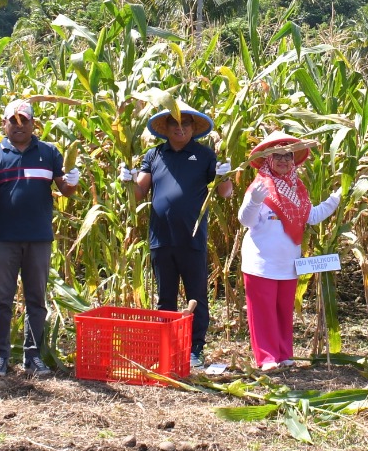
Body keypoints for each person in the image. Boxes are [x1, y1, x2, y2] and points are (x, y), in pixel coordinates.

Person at [122, 103, 232, 367]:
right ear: (166, 128)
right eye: (174, 124)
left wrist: (224, 176)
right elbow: (138, 194)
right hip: (161, 237)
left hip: (192, 237)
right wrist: (127, 180)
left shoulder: (205, 156)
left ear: (193, 128)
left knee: (197, 294)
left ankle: (195, 348)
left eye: (186, 124)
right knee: (166, 297)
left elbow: (225, 193)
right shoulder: (155, 155)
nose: (180, 128)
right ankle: (166, 347)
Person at [0, 99, 78, 376]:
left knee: (36, 300)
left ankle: (32, 356)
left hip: (38, 238)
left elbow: (66, 190)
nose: (19, 126)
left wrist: (72, 179)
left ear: (35, 124)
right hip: (2, 238)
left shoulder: (49, 152)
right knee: (2, 299)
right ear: (4, 123)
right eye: (13, 121)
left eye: (24, 121)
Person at [238, 131, 340, 370]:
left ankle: (284, 355)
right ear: (268, 160)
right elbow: (246, 221)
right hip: (261, 263)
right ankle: (267, 358)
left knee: (284, 311)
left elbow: (311, 217)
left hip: (288, 263)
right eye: (277, 156)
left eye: (288, 156)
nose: (283, 161)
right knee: (263, 313)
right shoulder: (259, 187)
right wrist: (254, 201)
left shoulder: (297, 190)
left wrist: (334, 201)